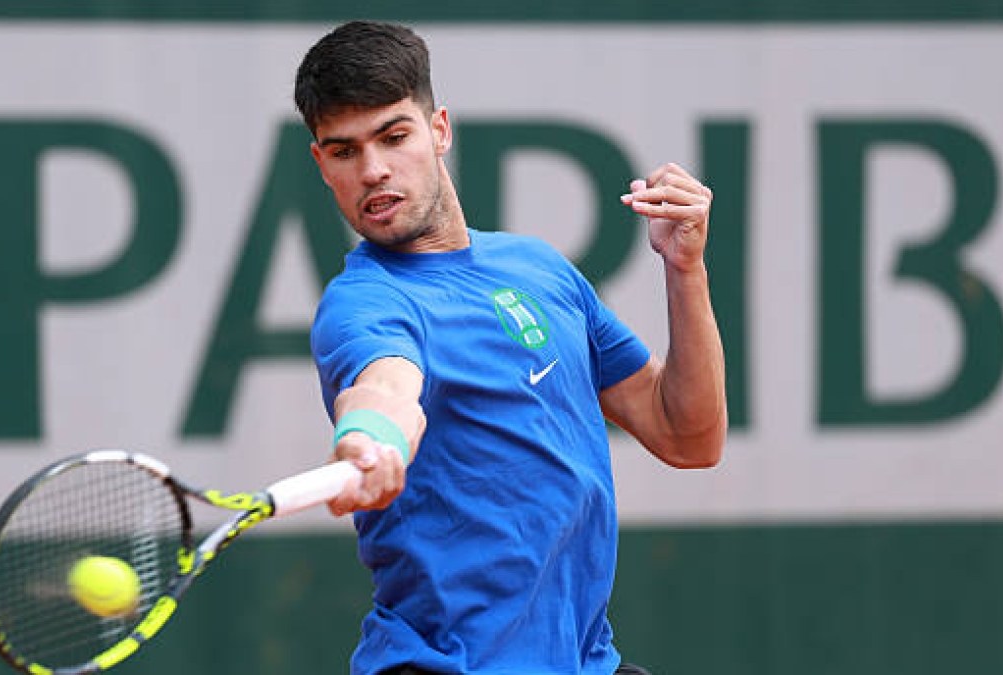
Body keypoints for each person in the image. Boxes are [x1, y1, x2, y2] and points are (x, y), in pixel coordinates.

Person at [295, 20, 726, 675]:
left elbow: (687, 435)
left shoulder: (540, 268)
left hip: (587, 661)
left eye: (393, 135)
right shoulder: (366, 303)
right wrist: (370, 437)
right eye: (344, 150)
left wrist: (685, 270)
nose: (374, 169)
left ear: (439, 129)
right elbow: (385, 384)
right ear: (321, 164)